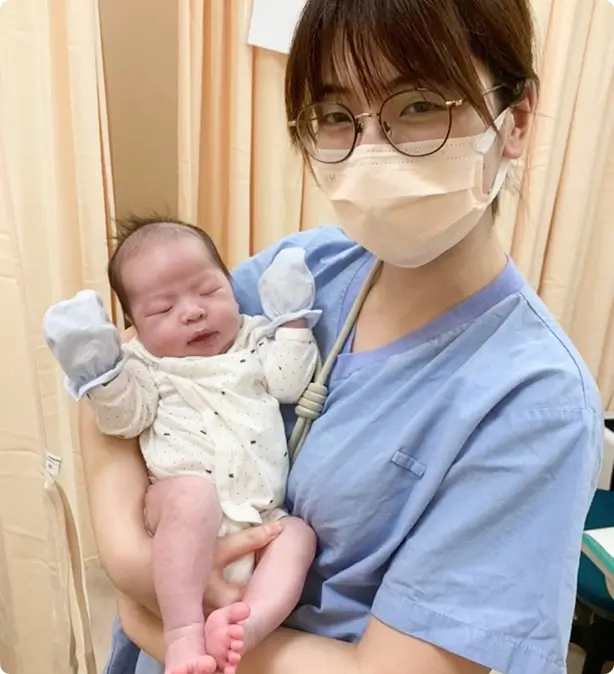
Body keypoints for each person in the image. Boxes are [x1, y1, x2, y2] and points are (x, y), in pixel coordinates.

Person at [81, 1, 604, 673]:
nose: (371, 151)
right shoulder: (303, 272)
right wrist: (135, 566)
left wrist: (157, 621)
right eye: (334, 116)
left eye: (419, 105)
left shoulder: (534, 402)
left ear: (517, 121)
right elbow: (118, 382)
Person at [44, 219, 318, 674]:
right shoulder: (144, 362)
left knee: (298, 536)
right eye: (163, 309)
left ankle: (248, 626)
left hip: (259, 513)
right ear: (135, 326)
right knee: (193, 495)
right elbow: (124, 418)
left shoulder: (251, 338)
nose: (192, 312)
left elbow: (289, 383)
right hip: (177, 512)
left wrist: (292, 321)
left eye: (209, 291)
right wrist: (102, 370)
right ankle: (183, 635)